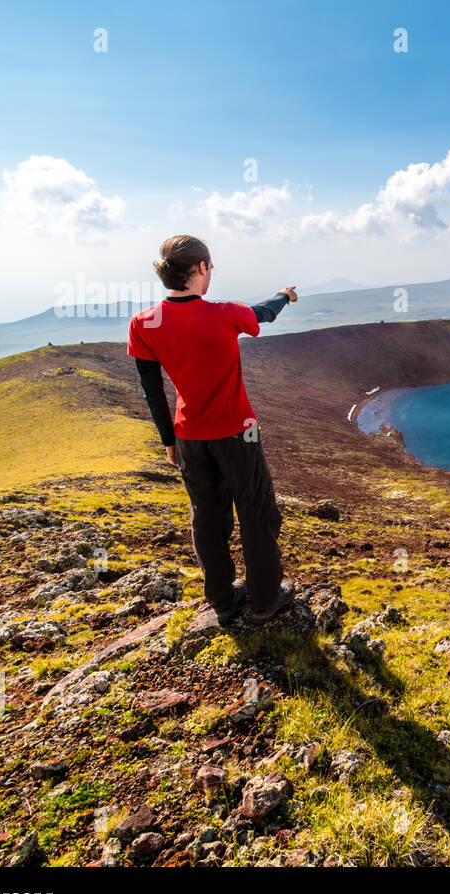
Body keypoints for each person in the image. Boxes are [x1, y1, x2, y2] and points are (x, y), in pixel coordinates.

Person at [127, 235, 298, 625]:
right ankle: (266, 599)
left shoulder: (144, 323)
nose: (211, 274)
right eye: (211, 268)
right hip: (239, 432)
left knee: (206, 515)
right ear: (201, 268)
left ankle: (222, 599)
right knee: (256, 511)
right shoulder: (224, 313)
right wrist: (283, 296)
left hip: (190, 437)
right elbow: (262, 314)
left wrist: (168, 440)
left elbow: (151, 390)